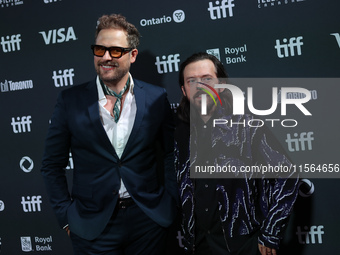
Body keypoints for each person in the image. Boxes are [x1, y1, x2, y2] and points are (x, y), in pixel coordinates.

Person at [41, 14, 178, 255]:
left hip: (148, 220)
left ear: (132, 55)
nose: (105, 57)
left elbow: (170, 155)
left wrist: (170, 203)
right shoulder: (70, 100)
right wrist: (66, 216)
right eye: (99, 49)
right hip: (92, 225)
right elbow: (52, 164)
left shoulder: (156, 97)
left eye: (115, 51)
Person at [175, 52, 299, 255]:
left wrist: (270, 232)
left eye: (207, 79)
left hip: (243, 243)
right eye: (192, 81)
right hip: (200, 244)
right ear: (184, 90)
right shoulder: (180, 132)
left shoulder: (247, 125)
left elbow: (288, 174)